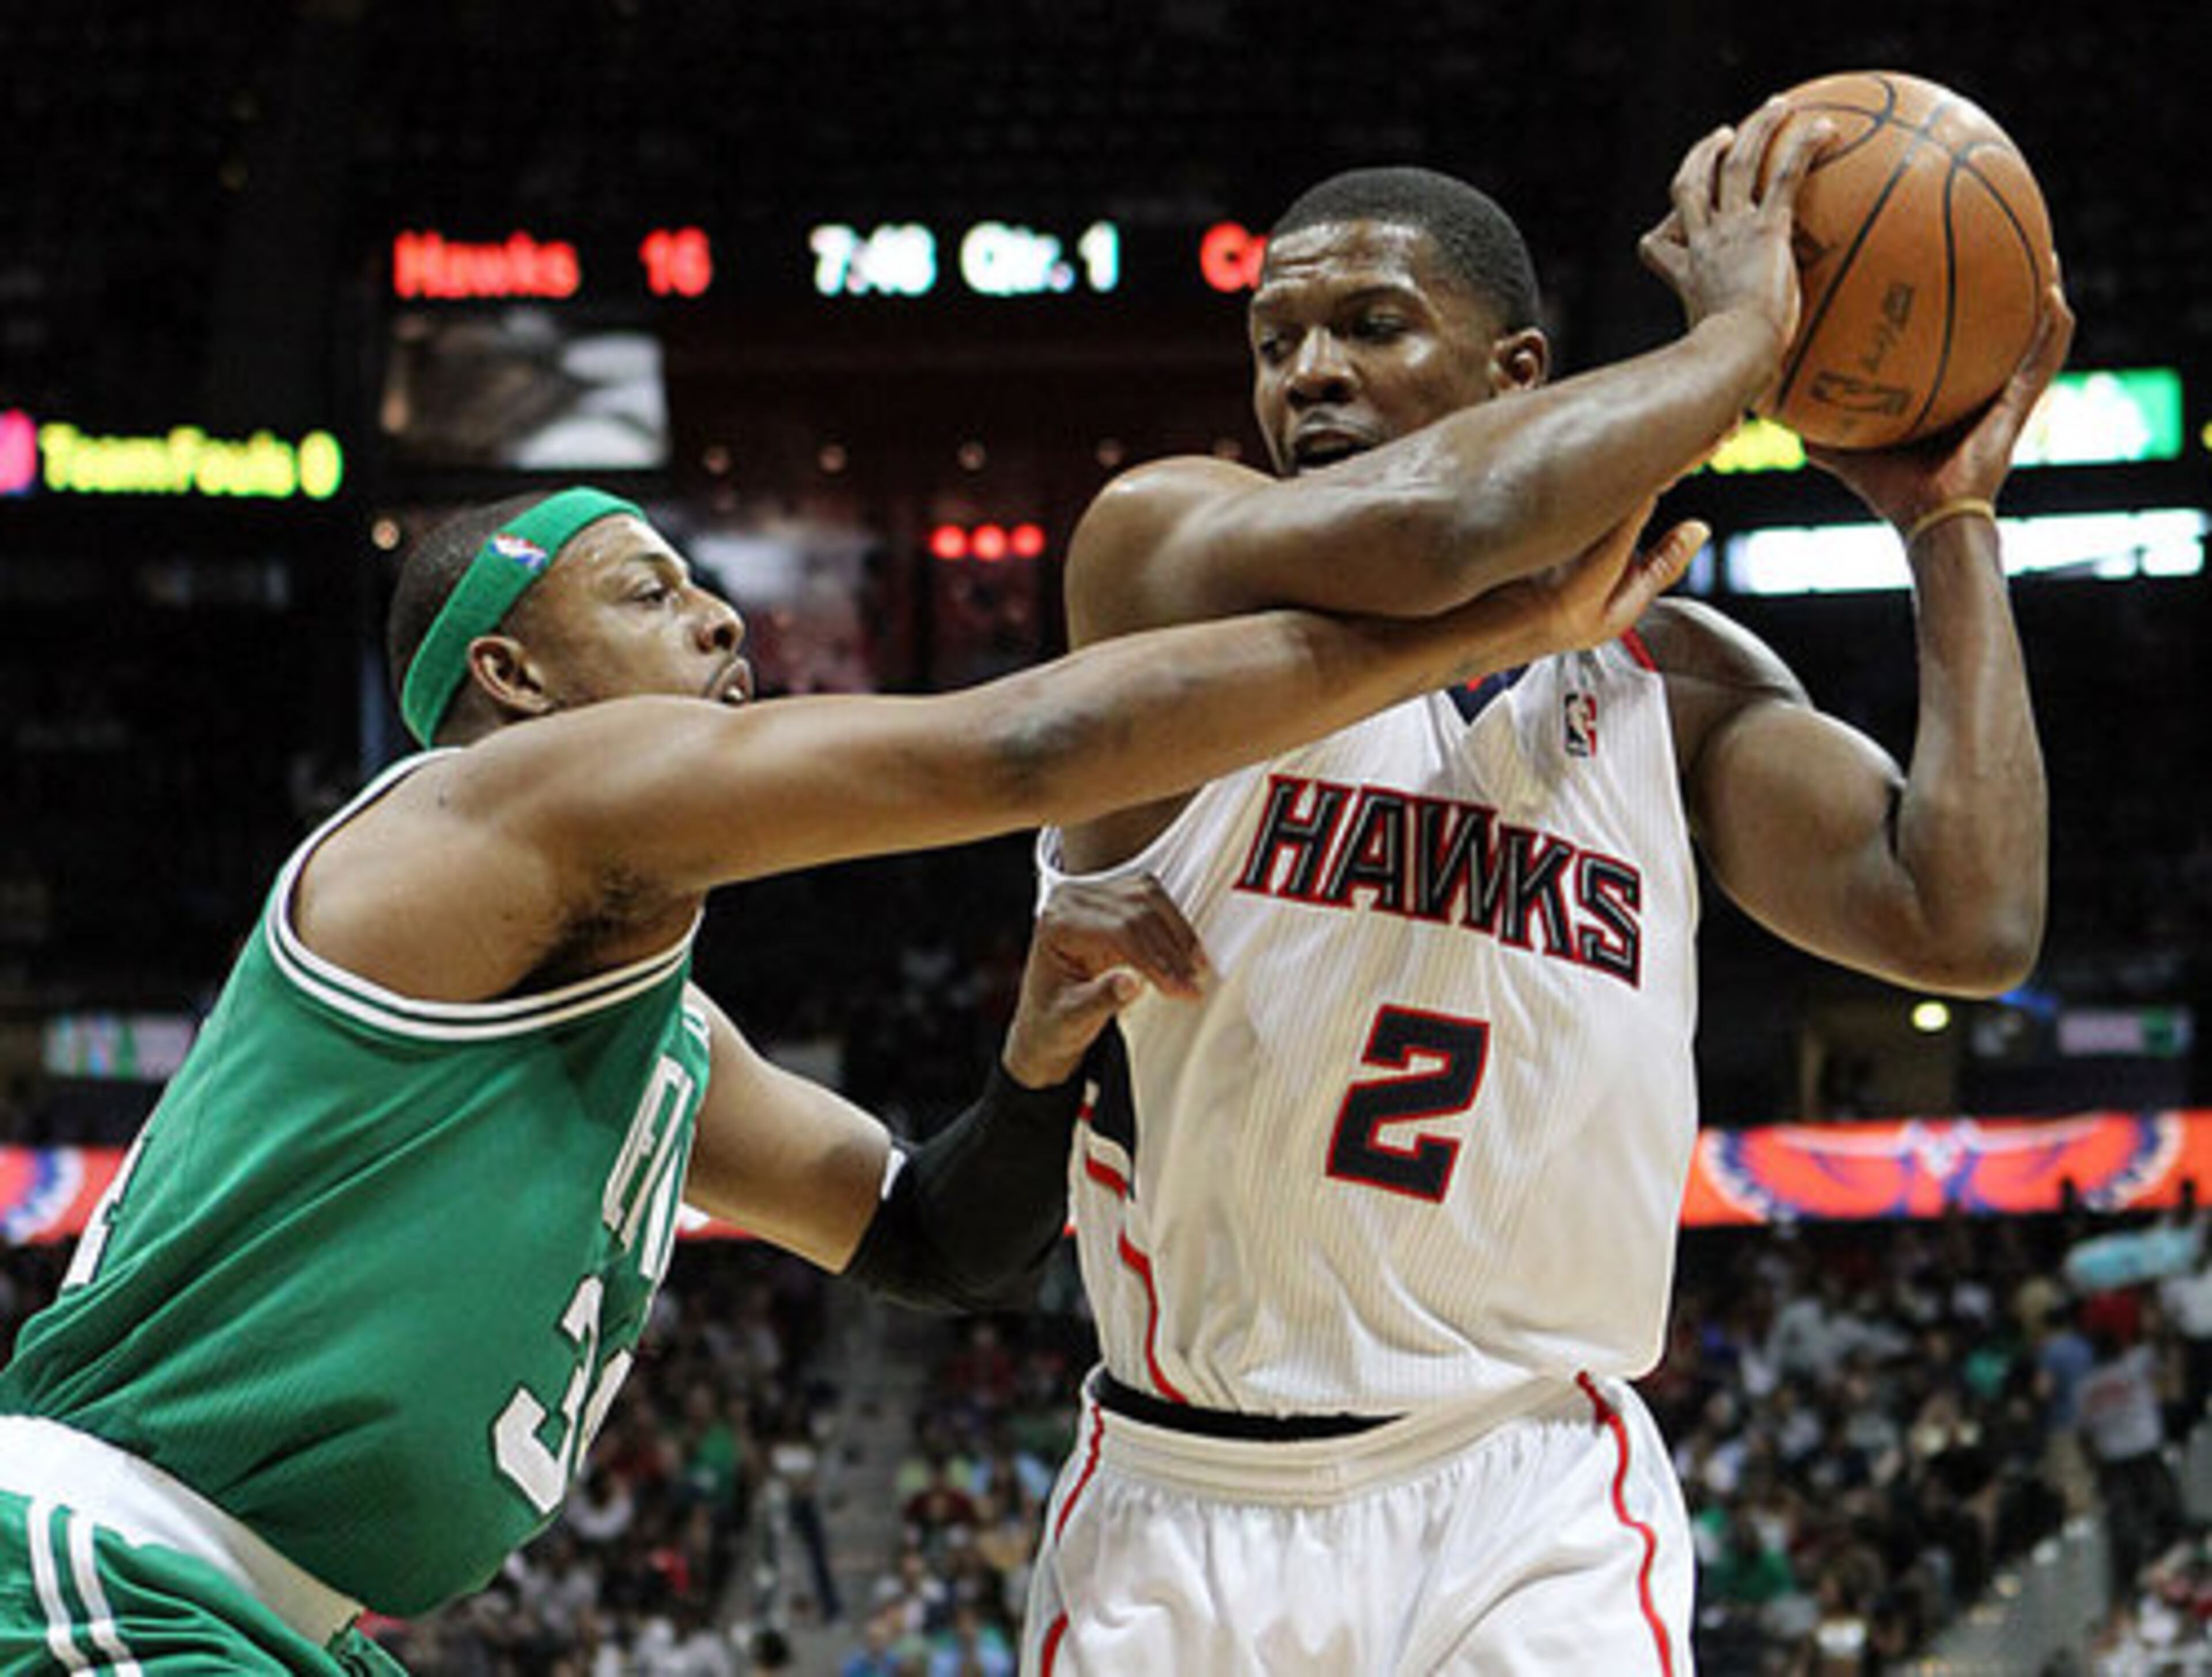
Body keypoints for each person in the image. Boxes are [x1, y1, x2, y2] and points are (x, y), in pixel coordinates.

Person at [0, 426, 1692, 1672]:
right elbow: (1021, 743)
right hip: (106, 1563)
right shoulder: (484, 807)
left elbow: (935, 1246)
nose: (724, 621)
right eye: (650, 592)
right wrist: (1479, 634)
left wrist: (1032, 1068)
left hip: (268, 1615)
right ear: (510, 676)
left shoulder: (662, 1035)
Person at [1022, 99, 2074, 1672]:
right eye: (1276, 337)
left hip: (1535, 1502)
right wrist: (1742, 342)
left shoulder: (1674, 680)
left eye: (1372, 326)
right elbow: (1453, 528)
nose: (1308, 370)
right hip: (1195, 1499)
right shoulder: (1167, 565)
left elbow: (1965, 922)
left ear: (1519, 375)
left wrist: (1948, 520)